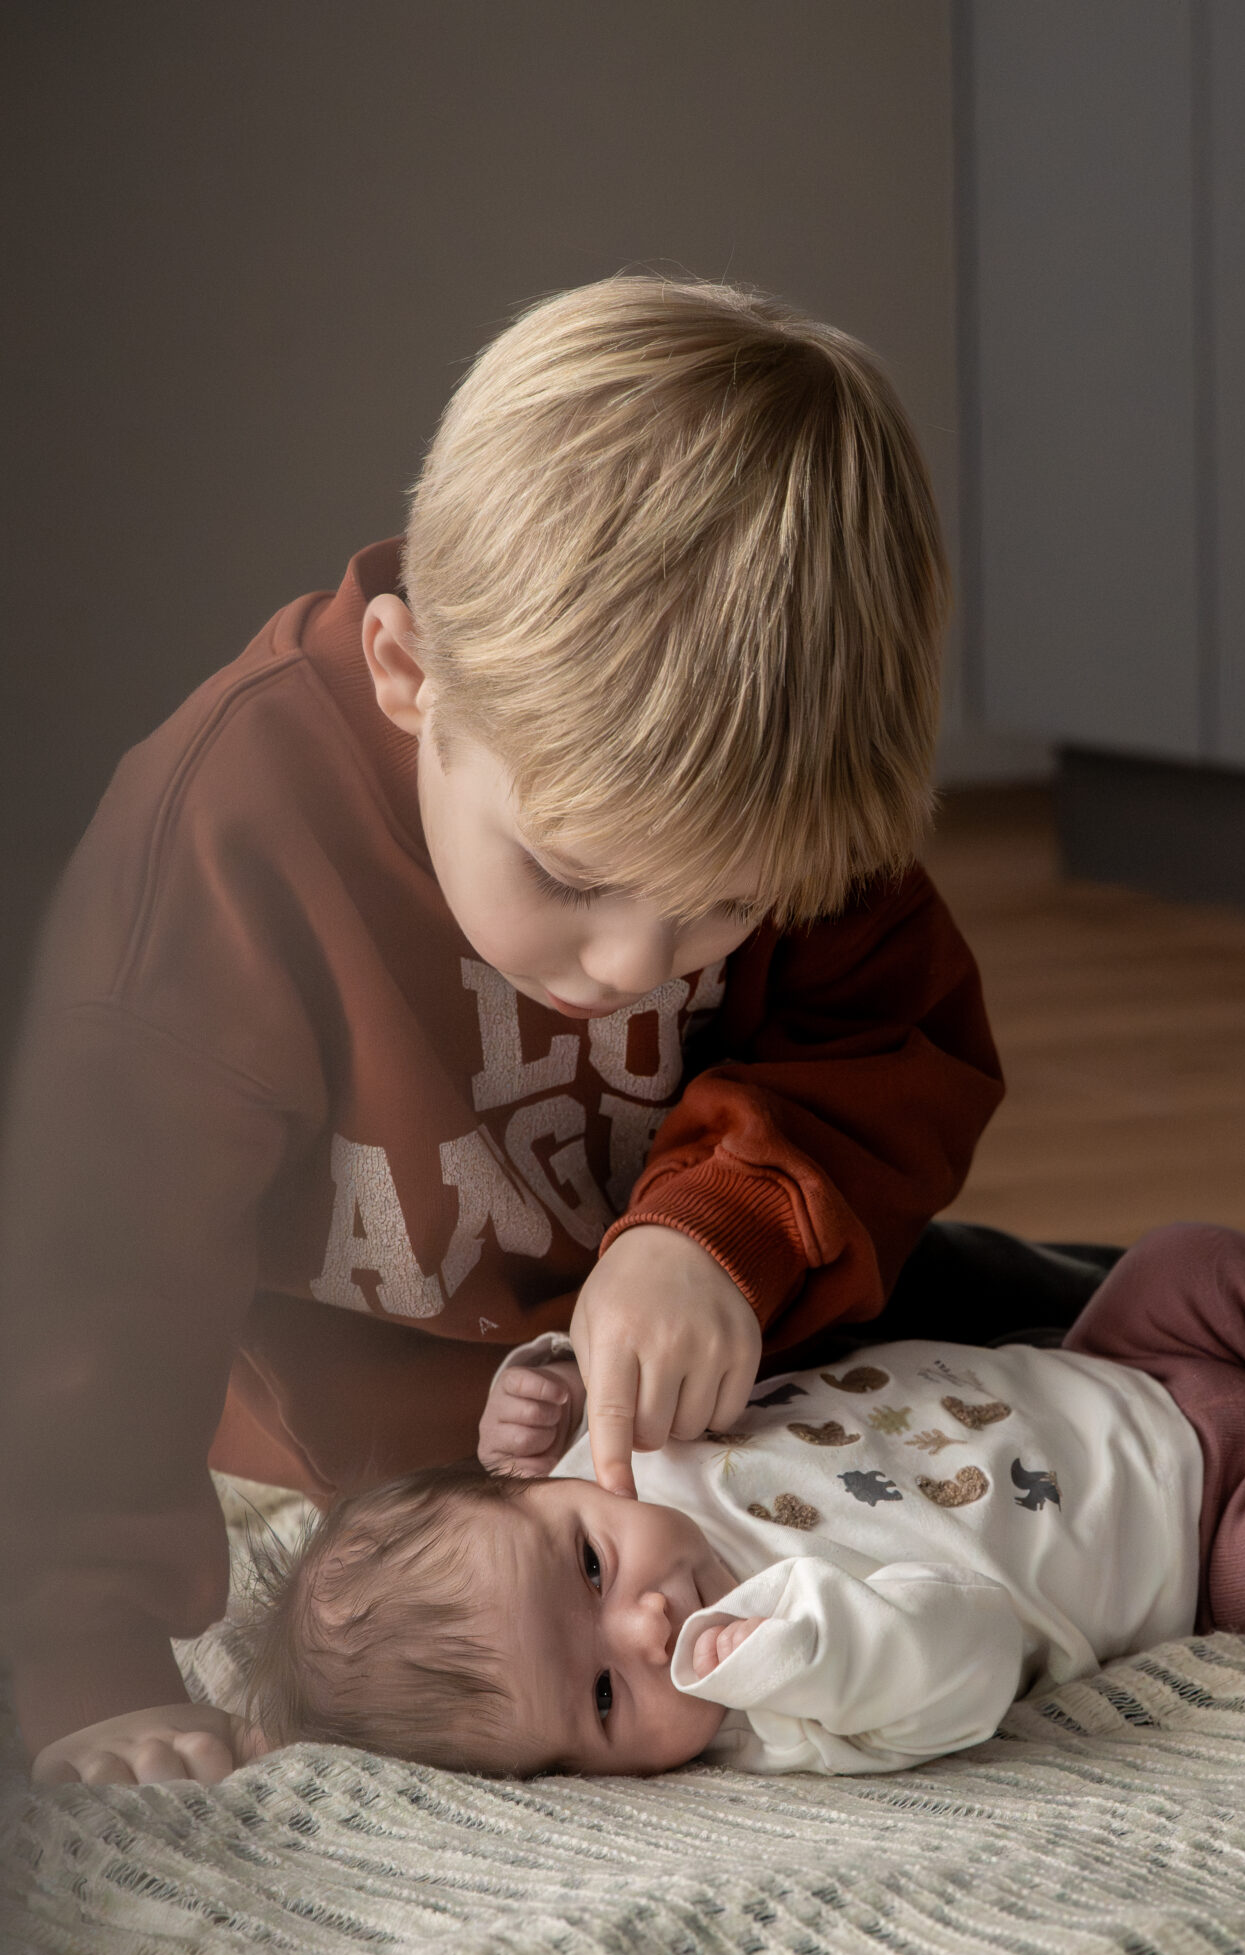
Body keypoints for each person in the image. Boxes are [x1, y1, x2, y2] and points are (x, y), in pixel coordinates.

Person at [0, 275, 1025, 1772]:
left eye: (727, 909)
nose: (637, 962)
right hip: (407, 1462)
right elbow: (90, 1289)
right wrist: (83, 1657)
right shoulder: (218, 847)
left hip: (721, 1372)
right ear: (414, 681)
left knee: (1051, 1349)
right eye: (571, 873)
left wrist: (710, 1236)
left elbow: (891, 1045)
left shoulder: (778, 780)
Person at [35, 1227, 1245, 1787]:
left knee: (1186, 1261)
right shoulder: (786, 1704)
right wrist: (781, 1652)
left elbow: (611, 1397)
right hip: (1212, 1540)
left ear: (544, 1490)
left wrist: (539, 1385)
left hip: (1113, 1364)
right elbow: (960, 1657)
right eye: (605, 1698)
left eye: (590, 1566)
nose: (646, 1619)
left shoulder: (610, 1466)